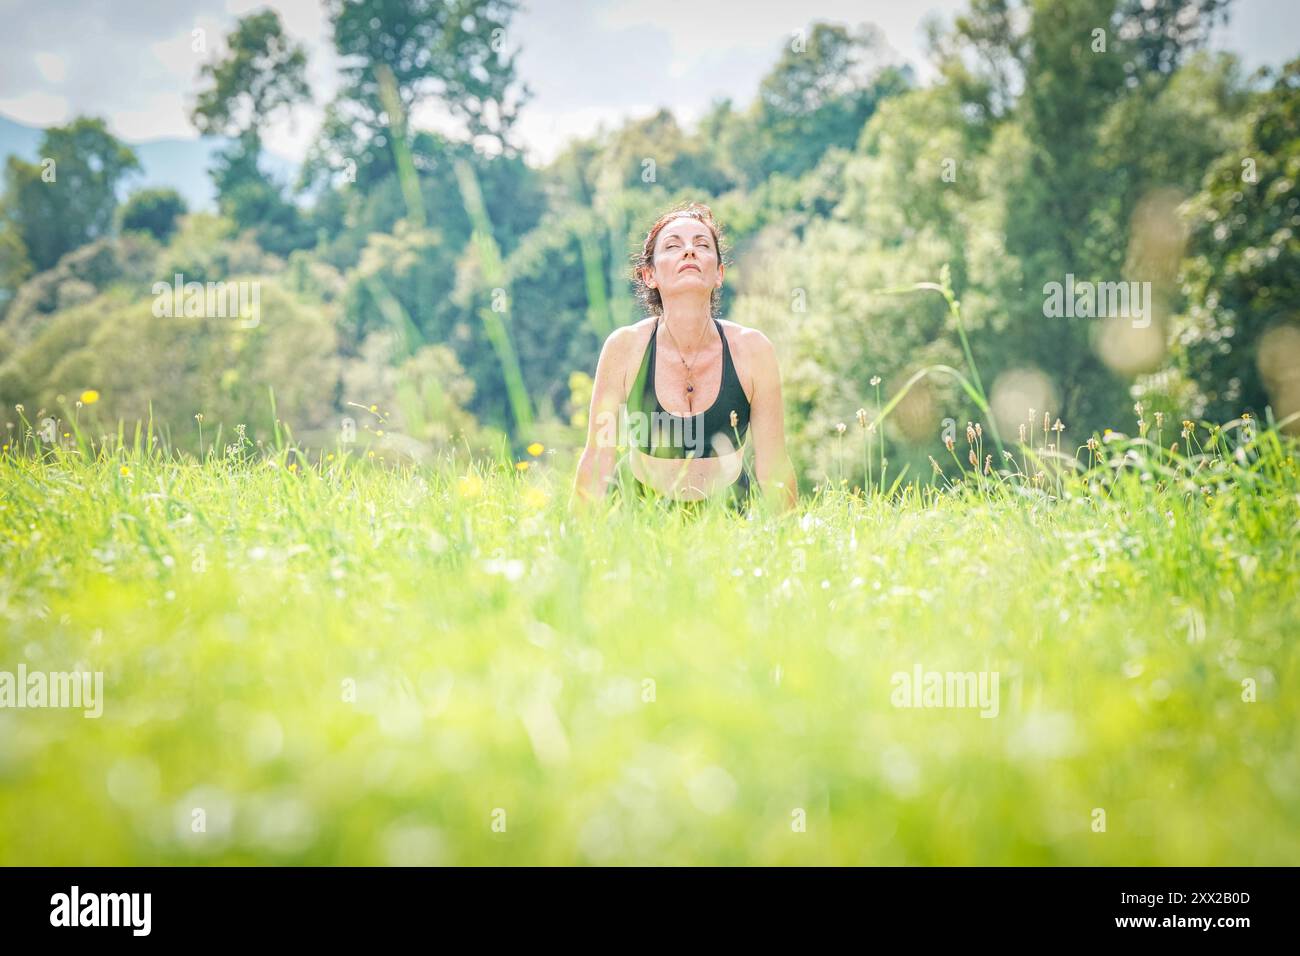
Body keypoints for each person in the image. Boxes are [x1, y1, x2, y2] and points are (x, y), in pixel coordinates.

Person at [571, 201, 797, 512]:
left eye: (702, 244)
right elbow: (598, 457)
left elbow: (774, 466)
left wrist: (791, 547)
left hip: (729, 516)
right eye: (673, 245)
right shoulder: (624, 348)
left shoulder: (753, 350)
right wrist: (573, 544)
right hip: (640, 515)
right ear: (649, 274)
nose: (689, 251)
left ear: (719, 274)